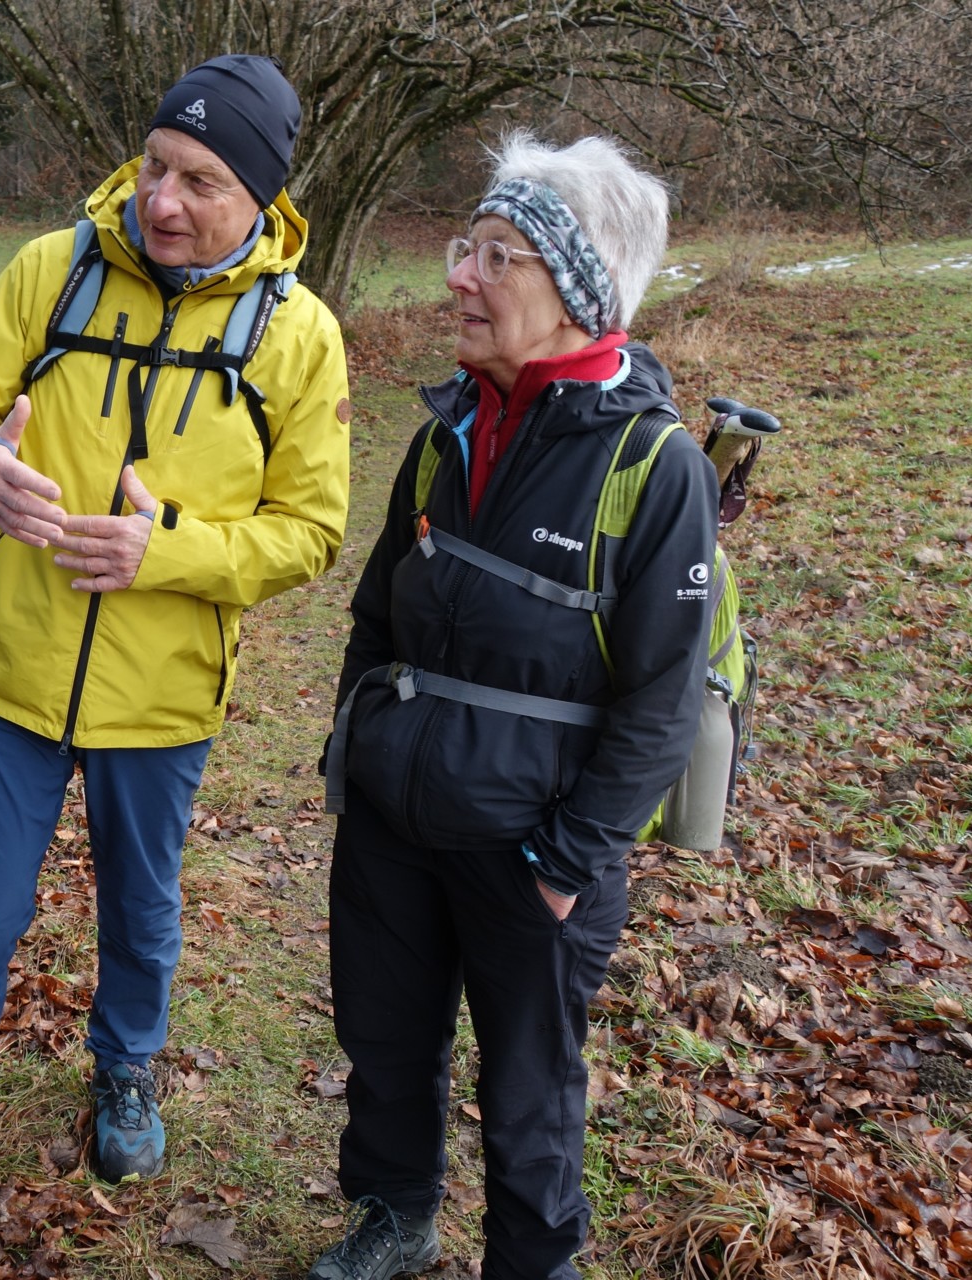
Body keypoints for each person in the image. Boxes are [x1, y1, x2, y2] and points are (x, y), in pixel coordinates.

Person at [0, 55, 351, 1220]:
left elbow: (310, 529)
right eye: (155, 165)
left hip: (164, 686)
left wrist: (170, 551)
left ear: (260, 197)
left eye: (200, 180)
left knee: (141, 907)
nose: (162, 199)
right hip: (16, 662)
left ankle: (126, 1069)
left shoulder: (299, 335)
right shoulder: (50, 271)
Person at [310, 134, 716, 1280]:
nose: (461, 276)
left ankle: (532, 1261)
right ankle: (395, 1214)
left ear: (578, 287)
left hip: (534, 848)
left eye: (499, 255)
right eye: (467, 246)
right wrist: (362, 753)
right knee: (385, 1037)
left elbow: (662, 703)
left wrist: (566, 862)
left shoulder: (654, 466)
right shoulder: (446, 430)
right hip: (394, 823)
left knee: (531, 1085)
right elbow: (379, 613)